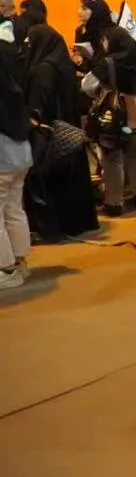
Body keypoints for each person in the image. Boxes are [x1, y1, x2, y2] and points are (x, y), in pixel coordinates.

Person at [22, 23, 99, 241]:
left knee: (48, 183)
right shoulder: (64, 65)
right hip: (69, 132)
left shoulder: (41, 70)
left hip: (48, 135)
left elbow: (37, 107)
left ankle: (51, 229)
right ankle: (76, 223)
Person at [89, 26, 136, 216]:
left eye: (104, 40)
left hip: (114, 114)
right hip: (135, 111)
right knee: (135, 153)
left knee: (112, 157)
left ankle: (114, 202)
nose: (103, 44)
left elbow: (87, 85)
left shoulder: (107, 63)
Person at [0, 31, 33, 289]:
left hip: (3, 155)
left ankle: (5, 268)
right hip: (21, 152)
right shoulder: (14, 88)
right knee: (14, 208)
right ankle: (20, 261)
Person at [75, 0, 116, 74]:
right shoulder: (80, 30)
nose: (79, 11)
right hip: (89, 70)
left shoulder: (111, 30)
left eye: (84, 8)